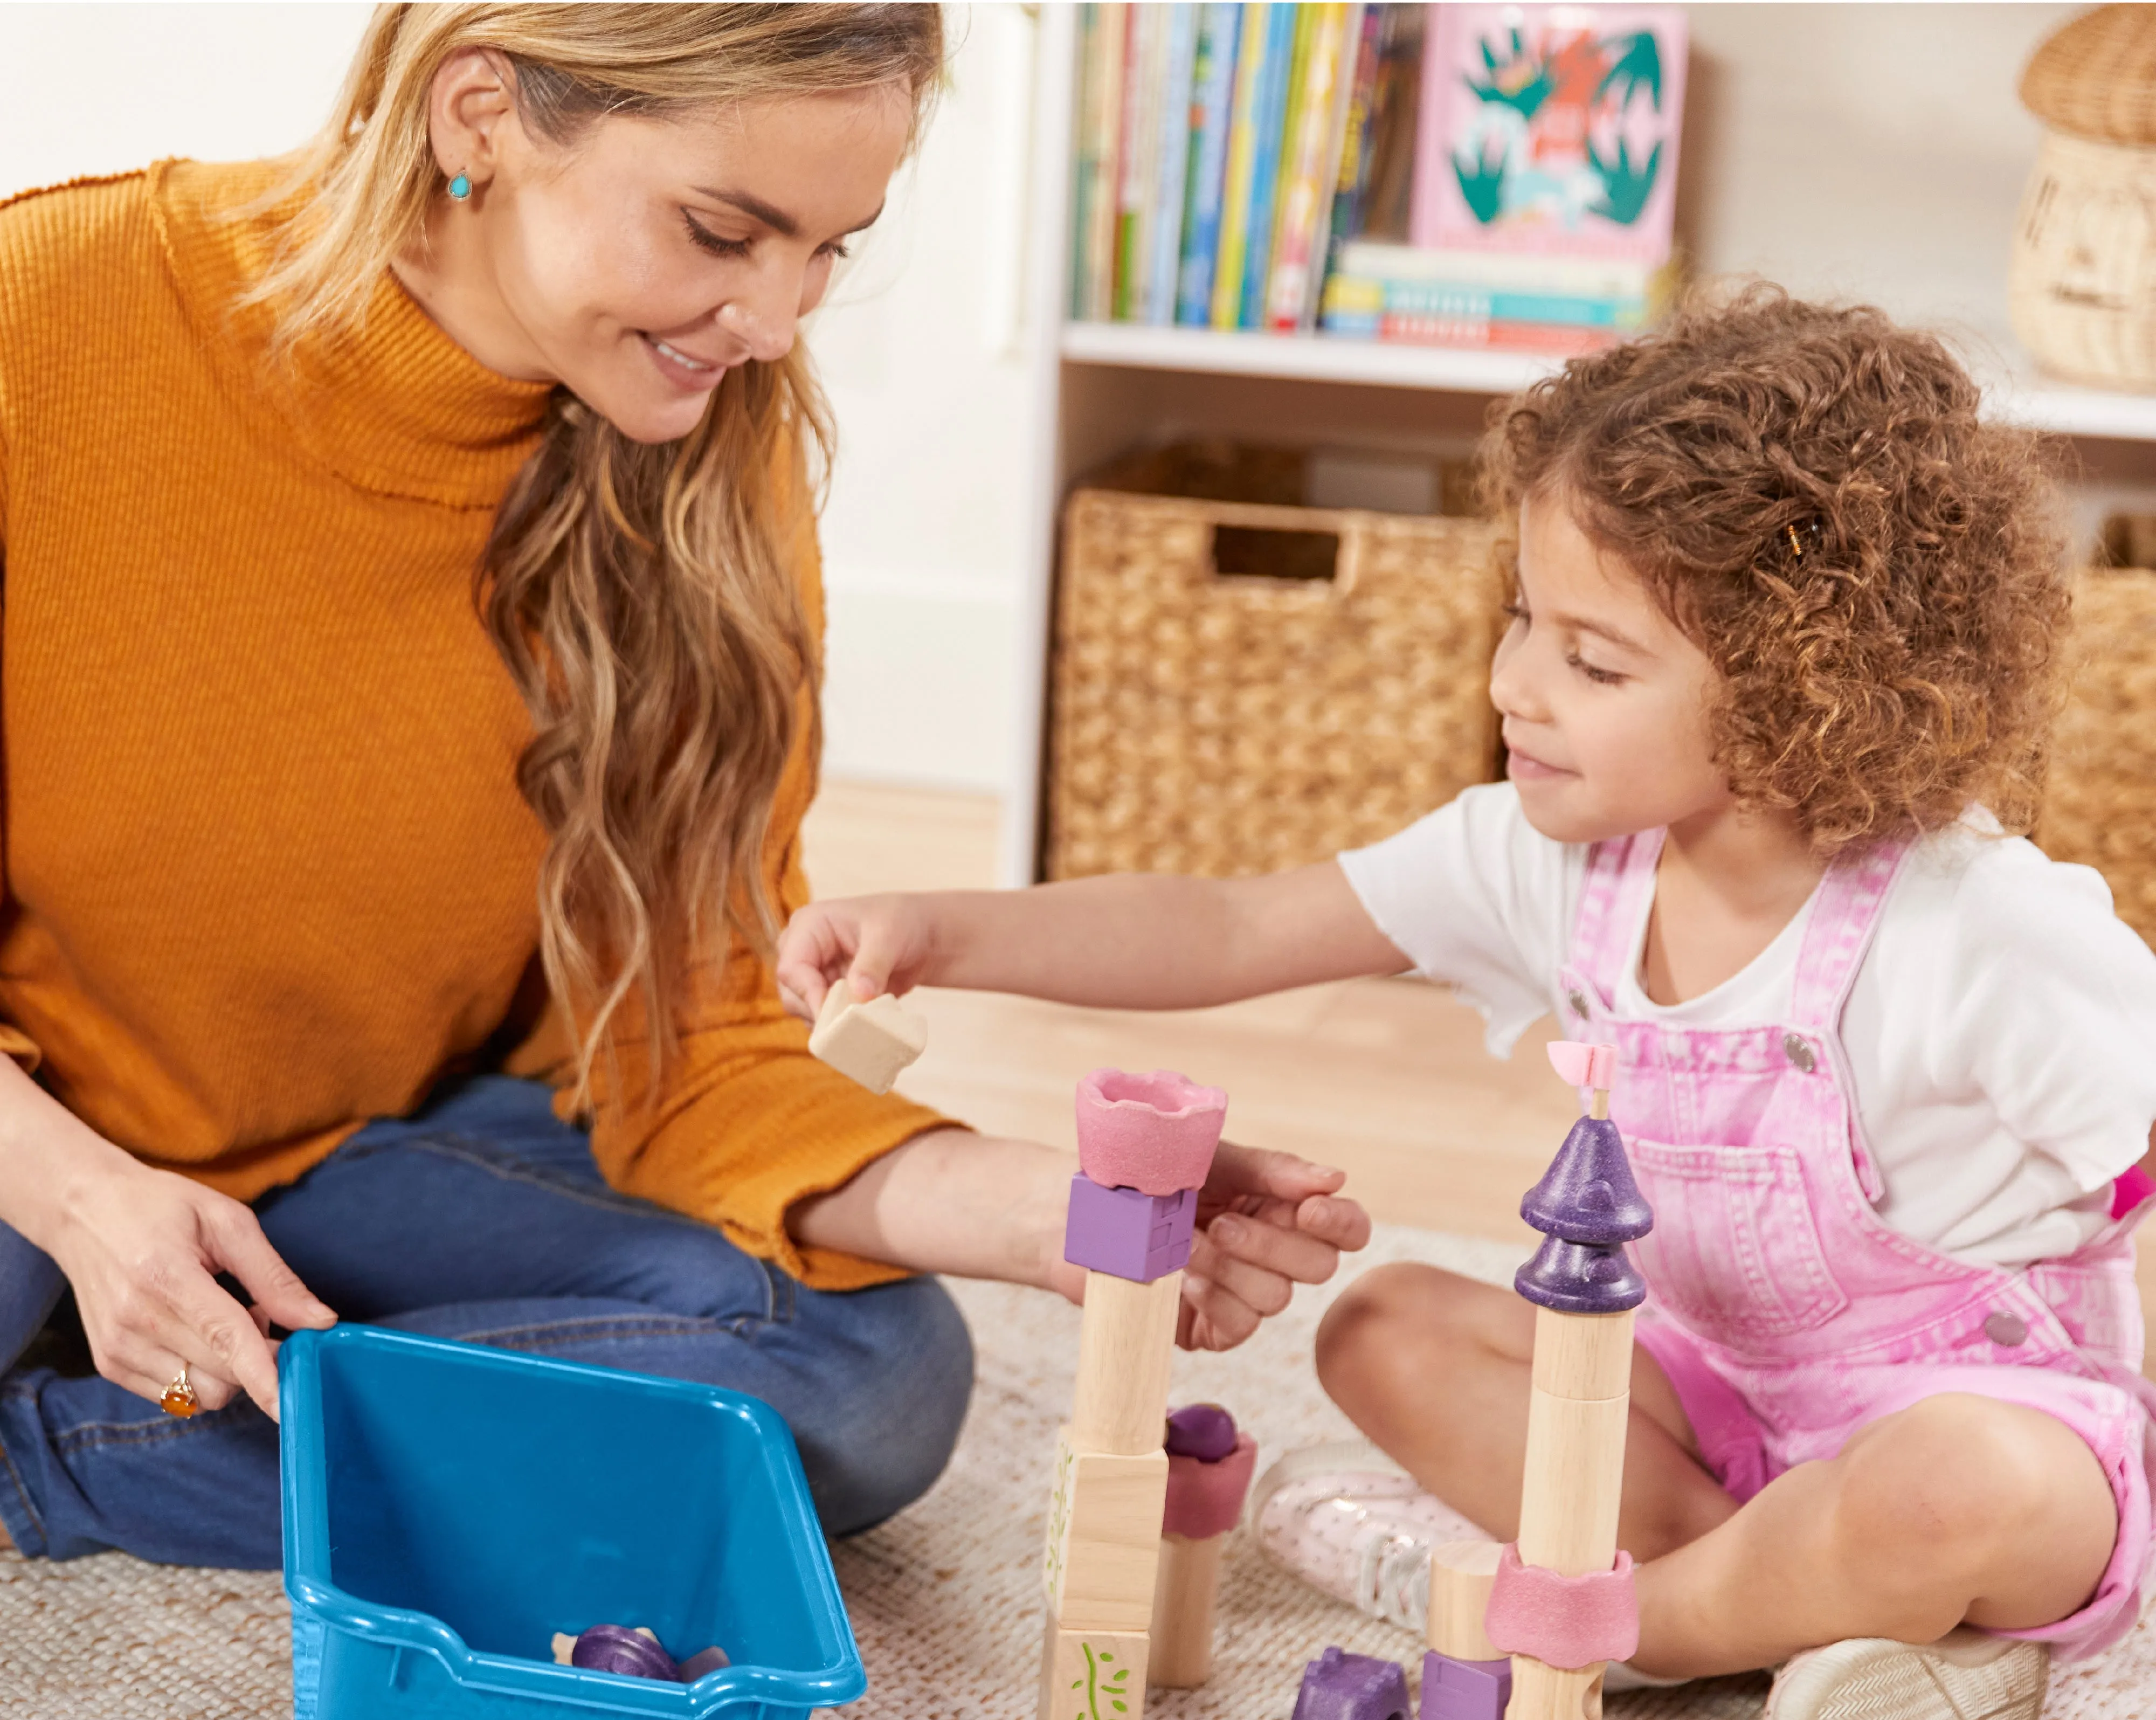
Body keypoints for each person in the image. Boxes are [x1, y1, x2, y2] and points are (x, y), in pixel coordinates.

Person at [0, 3, 1367, 1570]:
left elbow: (700, 1038)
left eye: (828, 252)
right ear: (479, 119)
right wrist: (88, 1202)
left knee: (868, 1377)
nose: (775, 321)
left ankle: (53, 1460)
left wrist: (1079, 1219)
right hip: (28, 1135)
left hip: (340, 1154)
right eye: (726, 232)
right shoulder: (48, 320)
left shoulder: (710, 450)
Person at [779, 292, 2156, 1720]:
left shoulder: (1984, 932)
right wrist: (940, 932)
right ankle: (1808, 1619)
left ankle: (1641, 1628)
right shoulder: (1552, 860)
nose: (1514, 685)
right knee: (1382, 1328)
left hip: (1980, 1422)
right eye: (1520, 620)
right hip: (1717, 1409)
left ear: (1797, 689)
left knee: (1961, 1486)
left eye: (1593, 660)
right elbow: (1234, 928)